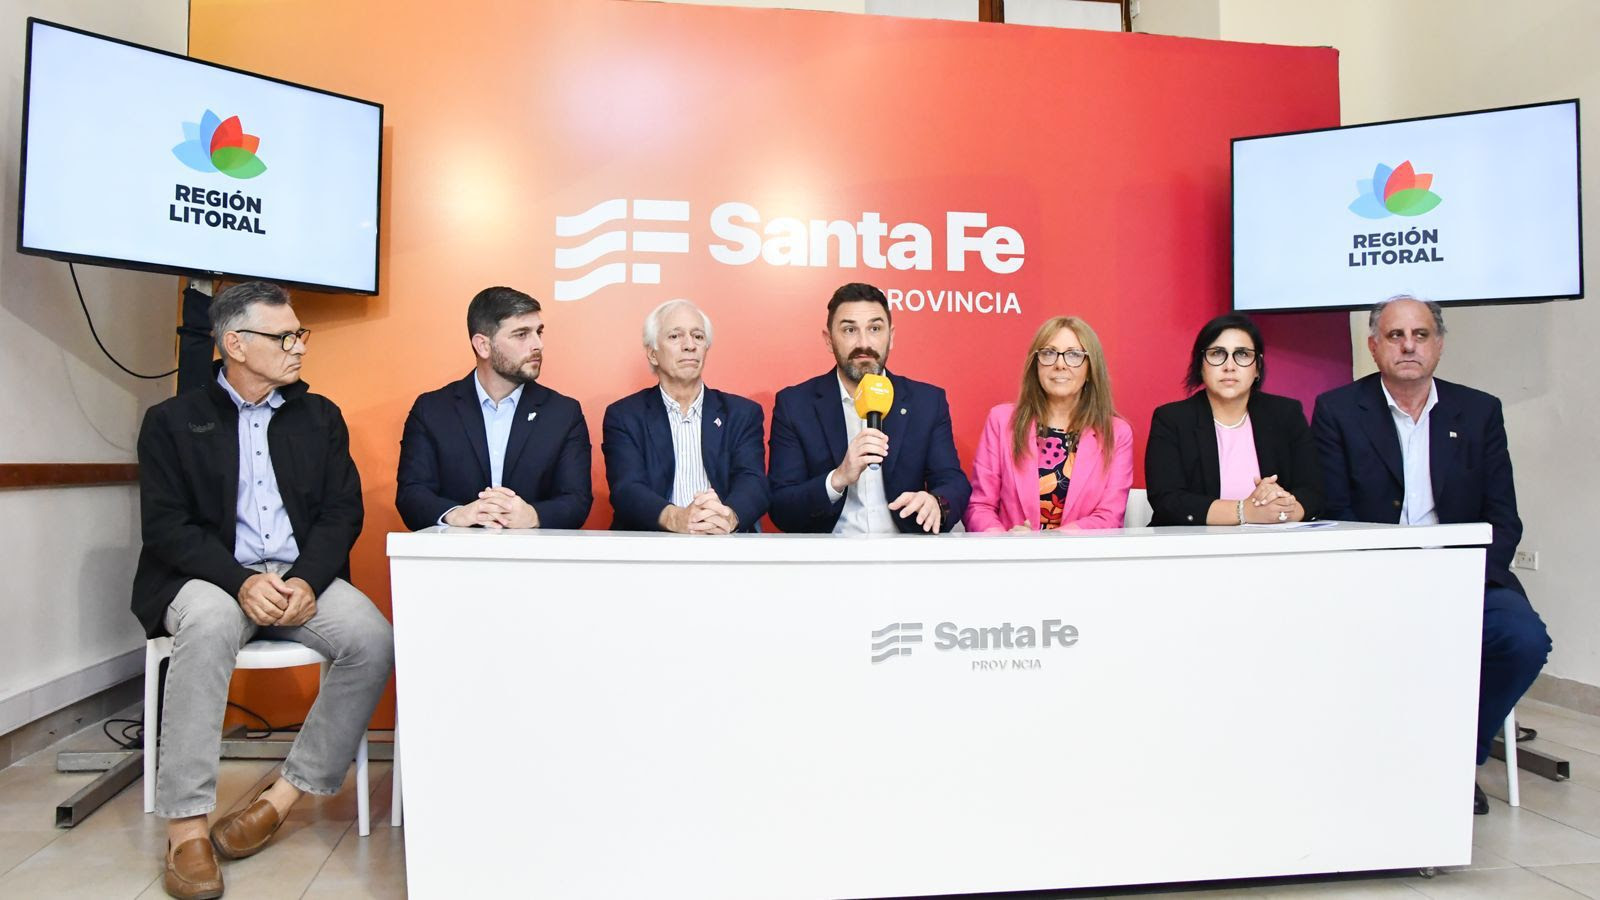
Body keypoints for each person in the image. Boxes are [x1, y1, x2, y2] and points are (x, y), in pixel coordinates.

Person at [132, 282, 393, 899]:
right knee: (209, 624)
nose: (300, 346)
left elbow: (342, 512)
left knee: (372, 640)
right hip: (210, 577)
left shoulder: (320, 416)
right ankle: (186, 828)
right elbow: (167, 527)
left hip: (300, 574)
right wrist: (241, 582)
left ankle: (280, 797)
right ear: (235, 344)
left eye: (300, 334)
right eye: (286, 336)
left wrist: (306, 579)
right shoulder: (171, 421)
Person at [1311, 295, 1550, 815]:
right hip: (1374, 578)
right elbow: (1334, 513)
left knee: (1524, 640)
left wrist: (1464, 577)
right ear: (1374, 346)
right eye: (1395, 336)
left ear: (1438, 345)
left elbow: (1502, 517)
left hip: (1465, 575)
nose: (1408, 346)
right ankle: (1384, 758)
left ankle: (1455, 756)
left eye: (1420, 335)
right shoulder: (1337, 410)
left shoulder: (1479, 411)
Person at [768, 282, 970, 534]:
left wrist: (936, 503)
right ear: (829, 340)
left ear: (891, 337)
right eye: (849, 330)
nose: (864, 343)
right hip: (829, 551)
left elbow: (953, 481)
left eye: (875, 328)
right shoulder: (795, 405)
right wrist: (837, 479)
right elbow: (781, 506)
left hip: (906, 549)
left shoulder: (926, 401)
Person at [396, 286, 592, 530]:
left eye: (539, 332)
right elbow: (411, 494)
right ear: (483, 346)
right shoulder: (432, 410)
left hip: (533, 552)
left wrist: (533, 515)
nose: (538, 344)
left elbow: (576, 499)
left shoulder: (563, 413)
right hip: (455, 552)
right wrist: (457, 514)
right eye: (522, 334)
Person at [602, 300, 768, 532]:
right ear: (652, 354)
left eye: (698, 336)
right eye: (675, 336)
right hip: (650, 543)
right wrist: (676, 518)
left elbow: (753, 482)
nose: (690, 345)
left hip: (723, 541)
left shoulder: (742, 413)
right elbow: (627, 489)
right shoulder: (624, 416)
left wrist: (728, 517)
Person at [1145, 314, 1323, 526]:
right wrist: (1244, 511)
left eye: (1243, 354)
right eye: (1217, 354)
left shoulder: (1286, 414)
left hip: (1273, 542)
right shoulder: (1172, 419)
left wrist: (1282, 508)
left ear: (1257, 367)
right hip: (1192, 542)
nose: (1229, 366)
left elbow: (1313, 491)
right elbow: (1167, 500)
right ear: (1200, 365)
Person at [965, 316, 1132, 531]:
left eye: (1074, 355)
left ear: (1091, 369)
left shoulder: (1116, 433)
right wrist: (1004, 540)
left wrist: (1047, 542)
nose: (1059, 364)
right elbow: (979, 507)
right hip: (1010, 550)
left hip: (1082, 552)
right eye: (1049, 353)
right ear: (1035, 365)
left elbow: (1110, 516)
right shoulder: (1001, 421)